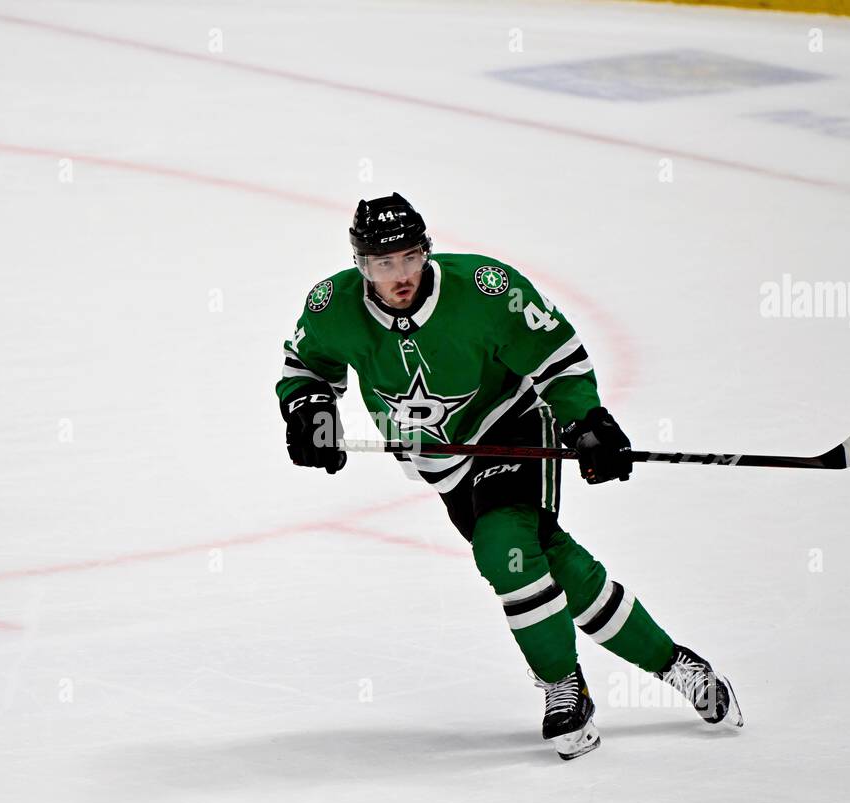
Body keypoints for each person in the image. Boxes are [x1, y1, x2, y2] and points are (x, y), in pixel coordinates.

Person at [275, 193, 742, 759]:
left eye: (410, 257)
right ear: (360, 265)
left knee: (504, 552)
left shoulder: (485, 289)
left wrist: (587, 421)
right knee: (553, 564)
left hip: (513, 426)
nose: (400, 275)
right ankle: (677, 666)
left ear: (428, 250)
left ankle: (564, 691)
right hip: (441, 462)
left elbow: (558, 357)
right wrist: (308, 410)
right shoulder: (332, 306)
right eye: (382, 263)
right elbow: (306, 366)